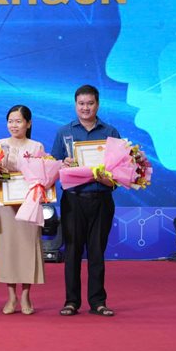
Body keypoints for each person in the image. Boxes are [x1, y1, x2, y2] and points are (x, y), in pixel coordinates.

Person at [51, 85, 121, 317]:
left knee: (96, 251)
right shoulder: (64, 132)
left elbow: (119, 170)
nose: (85, 108)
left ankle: (98, 302)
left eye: (90, 103)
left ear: (97, 105)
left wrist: (109, 177)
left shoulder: (110, 132)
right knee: (72, 251)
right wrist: (63, 164)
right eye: (81, 104)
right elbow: (53, 166)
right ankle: (71, 301)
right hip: (73, 200)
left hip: (101, 199)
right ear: (75, 105)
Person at [0, 105, 46, 315]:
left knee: (27, 247)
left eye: (18, 121)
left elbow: (43, 174)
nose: (14, 125)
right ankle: (10, 296)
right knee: (7, 247)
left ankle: (25, 294)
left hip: (29, 204)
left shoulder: (36, 147)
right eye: (10, 121)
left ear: (28, 123)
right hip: (5, 203)